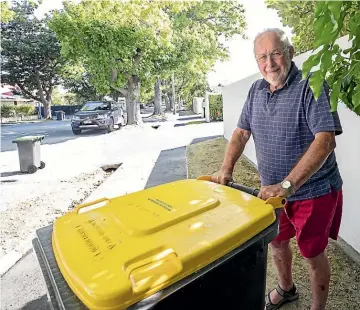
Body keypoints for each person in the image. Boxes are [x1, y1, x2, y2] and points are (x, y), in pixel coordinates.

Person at [211, 28, 343, 310]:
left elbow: (325, 140)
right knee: (276, 241)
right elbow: (241, 133)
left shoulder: (312, 84)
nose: (269, 63)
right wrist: (226, 169)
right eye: (262, 57)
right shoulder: (256, 90)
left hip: (314, 190)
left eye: (276, 53)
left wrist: (287, 185)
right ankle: (286, 289)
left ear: (290, 53)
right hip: (271, 191)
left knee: (312, 253)